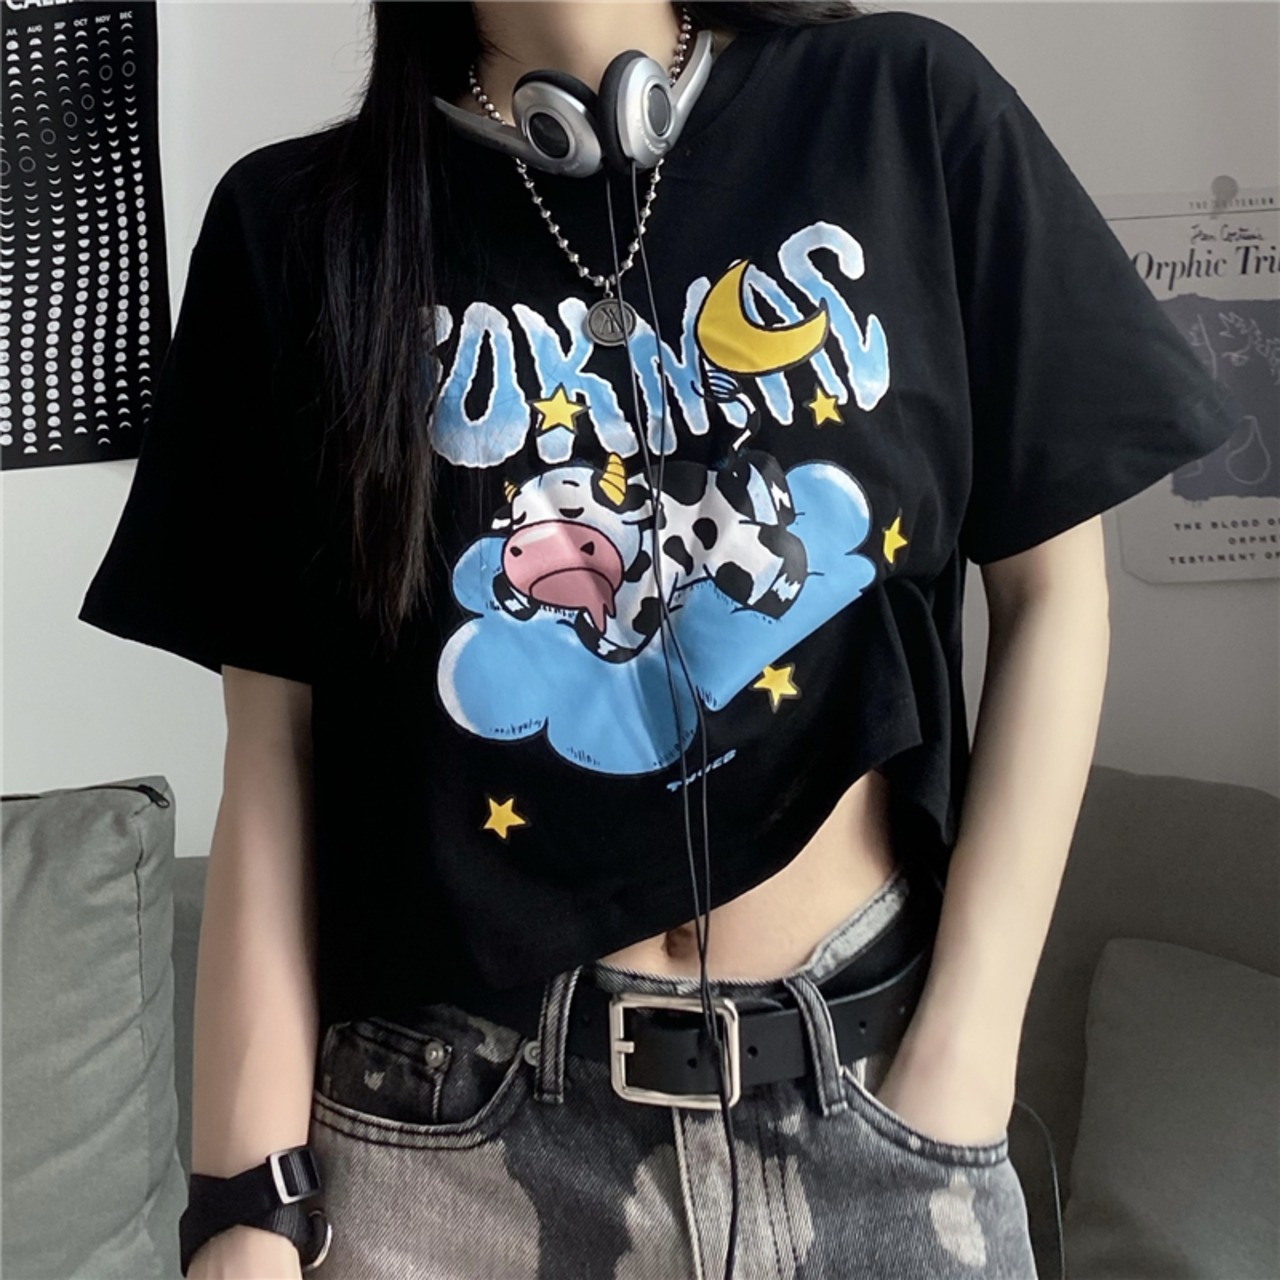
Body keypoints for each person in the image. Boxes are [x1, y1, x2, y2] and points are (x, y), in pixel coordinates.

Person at [78, 2, 1242, 1277]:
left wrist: (963, 1055)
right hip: (447, 1152)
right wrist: (244, 1207)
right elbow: (277, 751)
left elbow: (1051, 591)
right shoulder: (294, 227)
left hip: (875, 1103)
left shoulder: (902, 107)